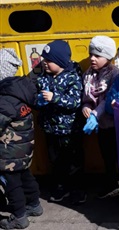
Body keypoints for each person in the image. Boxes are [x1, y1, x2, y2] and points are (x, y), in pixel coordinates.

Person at [35, 40, 86, 204]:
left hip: (70, 130)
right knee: (55, 161)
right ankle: (60, 187)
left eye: (49, 60)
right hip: (50, 129)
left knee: (74, 162)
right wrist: (38, 101)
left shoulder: (72, 77)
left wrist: (54, 98)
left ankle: (78, 190)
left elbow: (75, 102)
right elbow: (36, 93)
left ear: (60, 62)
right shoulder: (43, 77)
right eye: (44, 59)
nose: (45, 63)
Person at [0, 48, 43, 229]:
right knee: (25, 175)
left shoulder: (4, 99)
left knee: (11, 183)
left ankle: (19, 217)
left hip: (8, 150)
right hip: (23, 148)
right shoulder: (20, 90)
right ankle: (34, 205)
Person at [81, 35, 119, 199]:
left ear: (109, 56)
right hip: (100, 126)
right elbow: (86, 97)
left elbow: (107, 99)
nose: (92, 58)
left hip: (114, 123)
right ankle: (111, 182)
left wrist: (95, 114)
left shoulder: (114, 74)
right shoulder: (88, 74)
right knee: (107, 155)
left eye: (97, 55)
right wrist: (86, 107)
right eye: (91, 54)